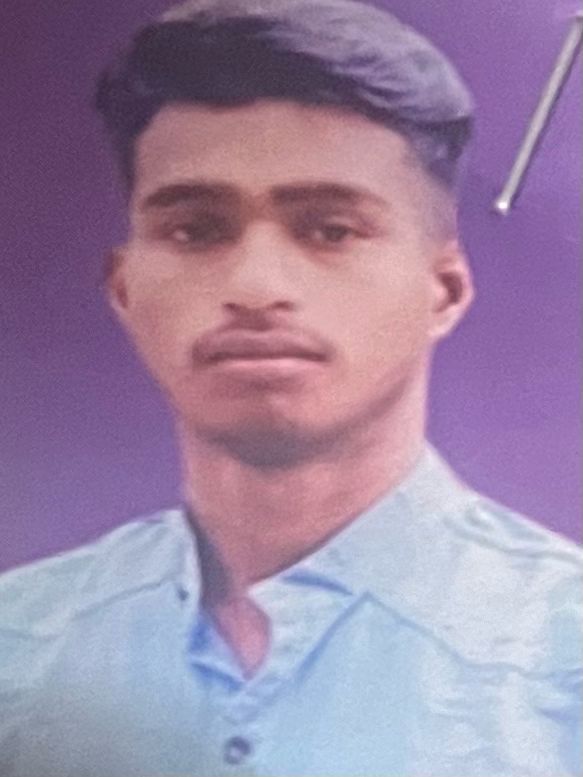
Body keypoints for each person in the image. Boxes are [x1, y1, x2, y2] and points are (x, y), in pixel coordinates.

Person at [0, 1, 580, 775]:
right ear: (124, 288)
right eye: (195, 229)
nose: (255, 285)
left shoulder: (562, 659)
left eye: (330, 229)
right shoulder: (18, 648)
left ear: (442, 288)